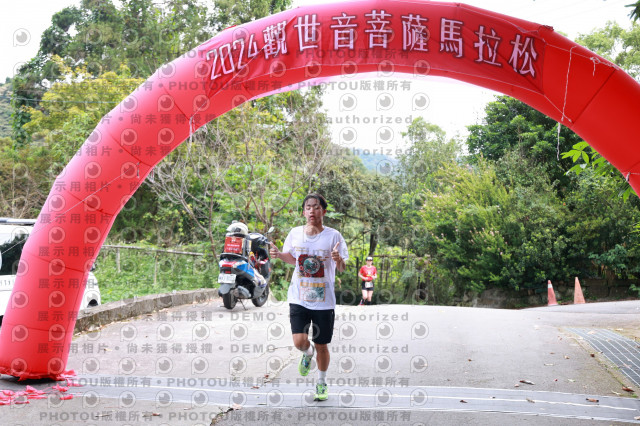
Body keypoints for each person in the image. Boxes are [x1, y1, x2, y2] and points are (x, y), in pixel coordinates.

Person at [269, 193, 348, 402]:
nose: (312, 210)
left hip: (324, 302)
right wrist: (279, 254)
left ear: (324, 211)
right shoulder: (295, 233)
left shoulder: (334, 236)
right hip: (299, 297)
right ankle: (307, 353)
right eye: (308, 207)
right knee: (299, 342)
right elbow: (292, 259)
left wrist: (338, 259)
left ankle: (321, 382)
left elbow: (342, 268)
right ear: (304, 212)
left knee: (322, 345)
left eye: (316, 207)